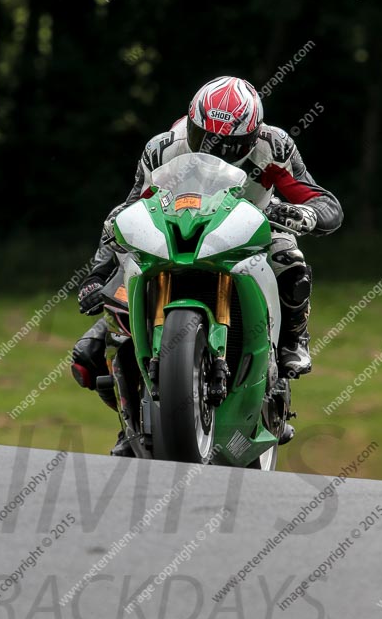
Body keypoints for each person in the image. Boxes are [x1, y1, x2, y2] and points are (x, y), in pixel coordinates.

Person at [71, 76, 343, 455]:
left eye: (231, 145)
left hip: (252, 236)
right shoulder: (163, 149)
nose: (217, 150)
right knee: (92, 350)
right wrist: (98, 272)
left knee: (290, 260)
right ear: (192, 123)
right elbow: (126, 210)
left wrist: (303, 214)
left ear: (254, 135)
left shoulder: (275, 146)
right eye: (207, 139)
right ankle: (133, 427)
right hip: (173, 234)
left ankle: (292, 343)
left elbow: (324, 201)